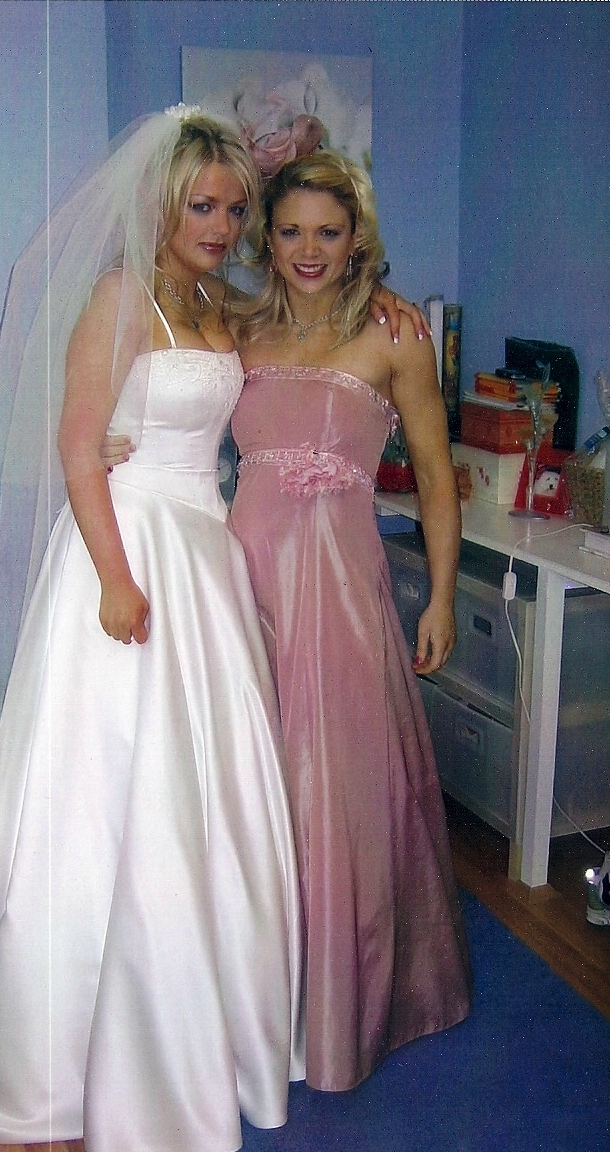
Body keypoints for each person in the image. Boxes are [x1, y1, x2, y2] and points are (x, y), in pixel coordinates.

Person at [0, 108, 307, 1152]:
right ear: (159, 203)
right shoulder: (120, 298)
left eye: (234, 209)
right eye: (200, 206)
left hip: (204, 558)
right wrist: (117, 581)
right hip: (129, 556)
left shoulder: (215, 303)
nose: (220, 226)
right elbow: (79, 448)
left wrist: (377, 304)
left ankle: (211, 1030)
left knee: (210, 796)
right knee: (123, 794)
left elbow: (304, 327)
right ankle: (97, 1060)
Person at [227, 148, 472, 1093]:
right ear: (267, 236)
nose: (308, 249)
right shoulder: (238, 327)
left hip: (337, 596)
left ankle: (343, 1008)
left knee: (342, 798)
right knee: (253, 789)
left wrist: (441, 596)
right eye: (291, 230)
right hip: (241, 586)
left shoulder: (395, 335)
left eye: (328, 231)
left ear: (357, 236)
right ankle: (259, 995)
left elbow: (438, 478)